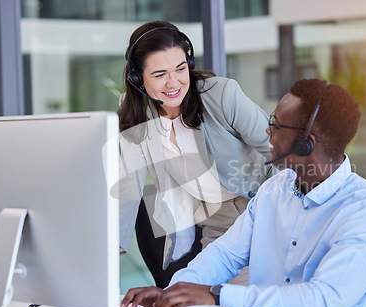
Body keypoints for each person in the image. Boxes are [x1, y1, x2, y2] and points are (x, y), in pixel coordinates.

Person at [120, 78, 366, 307]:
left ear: (305, 144)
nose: (267, 130)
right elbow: (226, 254)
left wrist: (218, 297)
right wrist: (176, 292)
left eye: (276, 124)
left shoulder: (364, 210)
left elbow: (321, 303)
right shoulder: (274, 189)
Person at [115, 21, 277, 285]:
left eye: (180, 69)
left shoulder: (221, 95)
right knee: (208, 299)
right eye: (159, 74)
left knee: (246, 303)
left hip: (261, 207)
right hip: (216, 221)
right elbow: (128, 185)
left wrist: (291, 209)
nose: (174, 82)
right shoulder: (135, 113)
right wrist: (111, 248)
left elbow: (281, 152)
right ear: (137, 78)